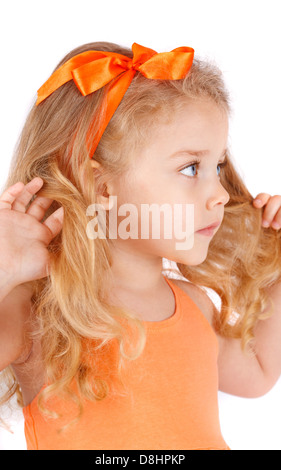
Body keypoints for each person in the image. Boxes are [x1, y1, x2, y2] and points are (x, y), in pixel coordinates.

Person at [0, 41, 281, 450]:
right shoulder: (39, 314)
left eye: (217, 165)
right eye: (190, 167)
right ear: (102, 187)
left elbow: (257, 373)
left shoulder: (194, 304)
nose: (220, 192)